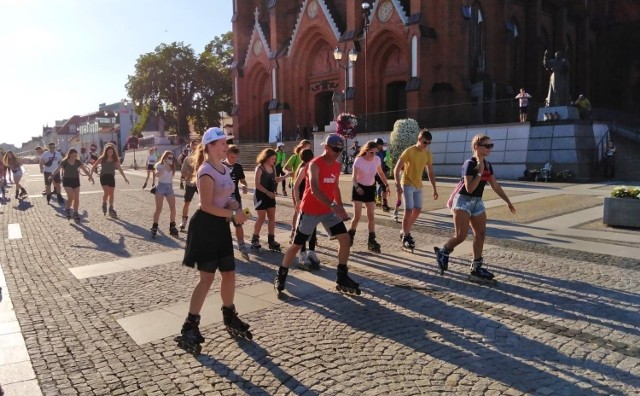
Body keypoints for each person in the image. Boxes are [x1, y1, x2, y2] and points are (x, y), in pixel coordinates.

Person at [177, 127, 251, 355]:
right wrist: (231, 215)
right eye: (221, 143)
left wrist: (234, 205)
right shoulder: (205, 170)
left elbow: (228, 195)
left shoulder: (225, 168)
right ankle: (190, 325)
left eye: (225, 142)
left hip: (220, 226)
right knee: (207, 278)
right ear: (209, 146)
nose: (225, 146)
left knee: (229, 273)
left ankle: (229, 314)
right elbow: (207, 205)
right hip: (205, 228)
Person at [274, 134, 360, 294]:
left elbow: (335, 188)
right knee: (296, 246)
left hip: (328, 211)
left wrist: (340, 207)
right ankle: (282, 273)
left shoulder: (336, 165)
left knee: (345, 239)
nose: (338, 152)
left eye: (340, 150)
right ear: (326, 147)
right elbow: (314, 188)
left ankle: (342, 275)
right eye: (335, 149)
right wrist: (334, 205)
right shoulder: (314, 164)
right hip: (310, 211)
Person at [435, 134, 516, 280]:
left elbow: (495, 185)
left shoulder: (488, 165)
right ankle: (443, 251)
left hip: (477, 202)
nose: (490, 149)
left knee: (481, 234)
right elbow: (470, 188)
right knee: (461, 236)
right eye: (487, 146)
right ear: (477, 147)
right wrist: (480, 170)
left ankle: (476, 267)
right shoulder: (470, 164)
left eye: (491, 146)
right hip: (463, 201)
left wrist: (507, 201)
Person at [393, 128, 439, 251]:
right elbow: (396, 169)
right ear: (419, 139)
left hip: (419, 185)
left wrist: (434, 188)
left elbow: (430, 172)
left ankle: (405, 230)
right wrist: (397, 185)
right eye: (425, 142)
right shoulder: (409, 151)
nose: (426, 145)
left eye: (429, 143)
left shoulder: (427, 154)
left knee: (417, 210)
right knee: (408, 210)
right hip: (407, 183)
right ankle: (406, 235)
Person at [347, 140, 389, 253]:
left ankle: (371, 240)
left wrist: (386, 185)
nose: (373, 155)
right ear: (366, 151)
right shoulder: (359, 160)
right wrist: (357, 187)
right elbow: (353, 178)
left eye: (375, 152)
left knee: (371, 216)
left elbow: (380, 173)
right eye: (371, 152)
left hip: (370, 188)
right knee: (357, 216)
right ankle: (350, 236)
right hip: (359, 188)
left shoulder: (377, 159)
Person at [250, 148, 290, 252]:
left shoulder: (273, 167)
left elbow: (275, 179)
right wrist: (268, 192)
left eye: (275, 159)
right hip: (260, 195)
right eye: (272, 159)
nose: (274, 161)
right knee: (261, 218)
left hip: (270, 195)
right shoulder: (259, 168)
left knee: (272, 217)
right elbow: (257, 184)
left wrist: (286, 175)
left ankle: (271, 240)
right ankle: (255, 239)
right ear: (266, 157)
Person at [291, 148, 321, 269]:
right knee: (303, 230)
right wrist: (298, 201)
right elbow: (296, 186)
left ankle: (311, 252)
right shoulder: (304, 168)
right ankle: (302, 254)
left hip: (313, 202)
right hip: (305, 203)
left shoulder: (313, 168)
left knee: (313, 229)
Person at [49, 149, 94, 221]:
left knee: (76, 198)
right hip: (67, 181)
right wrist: (52, 175)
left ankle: (75, 213)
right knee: (71, 196)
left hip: (76, 181)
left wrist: (90, 177)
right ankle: (67, 208)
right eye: (73, 155)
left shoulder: (77, 162)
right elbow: (57, 169)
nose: (74, 156)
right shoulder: (64, 162)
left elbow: (85, 170)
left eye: (76, 155)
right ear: (69, 154)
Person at [223, 145, 250, 258]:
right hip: (223, 200)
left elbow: (243, 181)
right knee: (224, 224)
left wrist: (244, 186)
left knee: (238, 222)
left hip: (236, 200)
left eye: (235, 157)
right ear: (227, 155)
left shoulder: (238, 167)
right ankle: (224, 247)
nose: (234, 160)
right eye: (232, 157)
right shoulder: (221, 166)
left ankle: (242, 245)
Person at [284, 139, 312, 243]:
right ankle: (294, 231)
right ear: (300, 147)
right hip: (296, 185)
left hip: (307, 186)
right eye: (305, 148)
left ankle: (310, 233)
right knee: (298, 209)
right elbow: (285, 168)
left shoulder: (311, 160)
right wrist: (289, 172)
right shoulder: (295, 157)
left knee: (310, 211)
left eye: (309, 148)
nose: (307, 150)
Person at [91, 143, 129, 218]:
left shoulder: (115, 159)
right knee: (107, 192)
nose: (110, 153)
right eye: (109, 151)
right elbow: (94, 166)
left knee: (111, 194)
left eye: (111, 151)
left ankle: (111, 208)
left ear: (113, 152)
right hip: (103, 177)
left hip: (111, 177)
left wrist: (125, 178)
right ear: (106, 151)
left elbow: (120, 169)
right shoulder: (102, 158)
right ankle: (104, 203)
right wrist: (90, 175)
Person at [150, 150, 178, 238]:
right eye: (169, 158)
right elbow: (157, 175)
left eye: (172, 158)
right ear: (165, 158)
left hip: (169, 187)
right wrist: (165, 167)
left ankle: (172, 226)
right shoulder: (159, 165)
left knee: (173, 208)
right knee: (159, 208)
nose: (171, 159)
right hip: (161, 187)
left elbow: (170, 178)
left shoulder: (172, 166)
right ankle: (154, 226)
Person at [179, 140, 201, 231]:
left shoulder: (204, 157)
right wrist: (190, 176)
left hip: (201, 183)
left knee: (204, 202)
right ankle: (184, 221)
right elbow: (183, 171)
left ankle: (204, 222)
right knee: (186, 203)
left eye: (197, 145)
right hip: (190, 183)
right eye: (193, 145)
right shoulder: (188, 158)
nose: (195, 147)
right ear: (191, 147)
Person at [374, 138, 391, 211]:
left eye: (380, 145)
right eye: (378, 145)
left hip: (381, 172)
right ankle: (374, 202)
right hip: (373, 173)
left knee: (384, 188)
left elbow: (385, 160)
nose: (379, 146)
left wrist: (386, 166)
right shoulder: (372, 152)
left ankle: (384, 203)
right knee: (372, 189)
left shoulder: (383, 152)